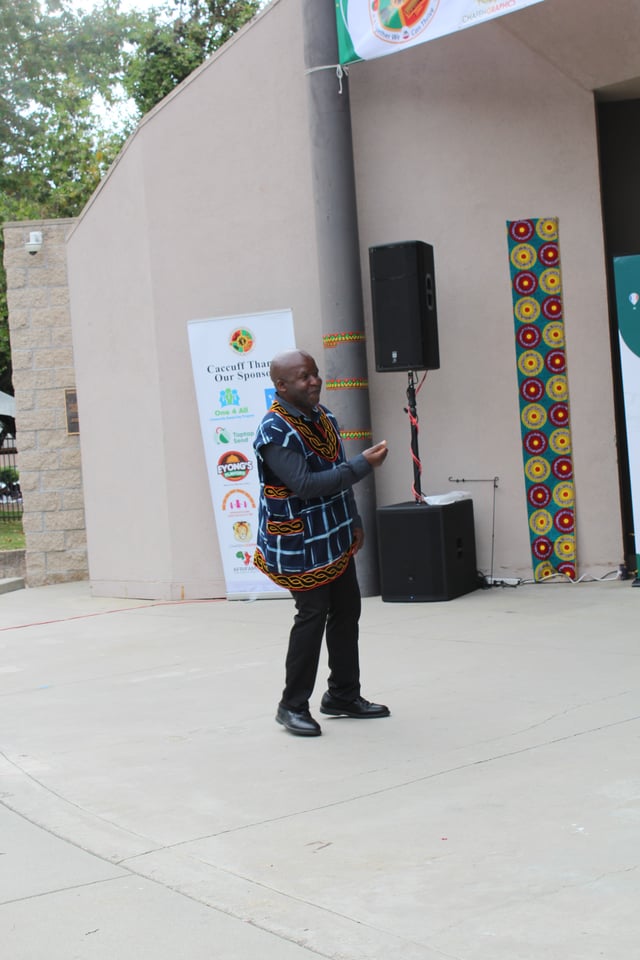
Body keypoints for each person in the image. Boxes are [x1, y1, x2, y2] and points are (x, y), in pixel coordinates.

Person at [253, 349, 390, 737]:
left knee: (346, 611)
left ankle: (342, 695)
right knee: (311, 617)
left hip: (334, 535)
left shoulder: (323, 417)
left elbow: (335, 473)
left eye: (315, 373)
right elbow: (306, 485)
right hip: (300, 544)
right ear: (281, 386)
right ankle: (291, 706)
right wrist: (363, 465)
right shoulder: (274, 431)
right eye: (304, 377)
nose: (314, 381)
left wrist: (354, 520)